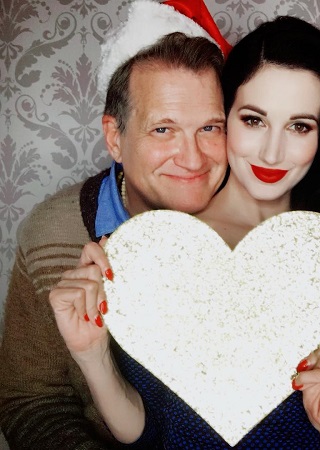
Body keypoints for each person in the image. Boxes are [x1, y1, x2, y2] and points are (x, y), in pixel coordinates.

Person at [49, 12, 320, 450]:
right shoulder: (161, 248)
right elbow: (147, 433)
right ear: (225, 116)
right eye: (254, 120)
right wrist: (92, 356)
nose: (273, 151)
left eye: (300, 126)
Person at [0, 1, 232, 448]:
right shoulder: (52, 236)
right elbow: (31, 401)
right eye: (163, 129)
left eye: (210, 127)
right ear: (114, 137)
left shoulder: (262, 233)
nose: (193, 158)